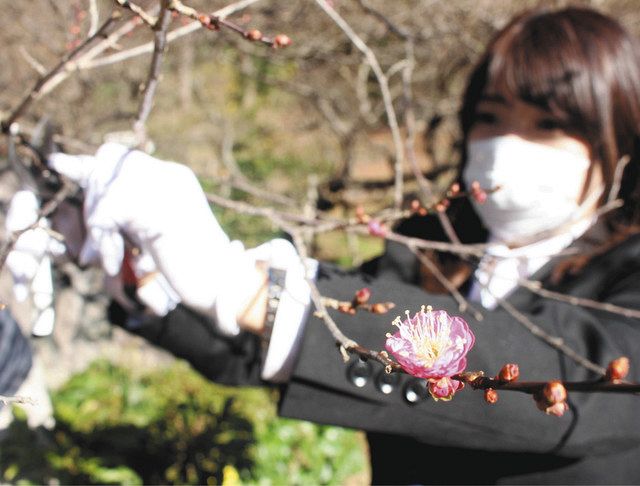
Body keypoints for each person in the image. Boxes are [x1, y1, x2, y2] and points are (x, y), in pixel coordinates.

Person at [8, 5, 640, 484]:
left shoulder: (628, 272)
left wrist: (246, 288)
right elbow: (263, 352)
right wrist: (148, 279)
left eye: (549, 125)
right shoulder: (428, 250)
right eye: (491, 118)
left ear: (619, 135)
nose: (507, 148)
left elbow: (578, 379)